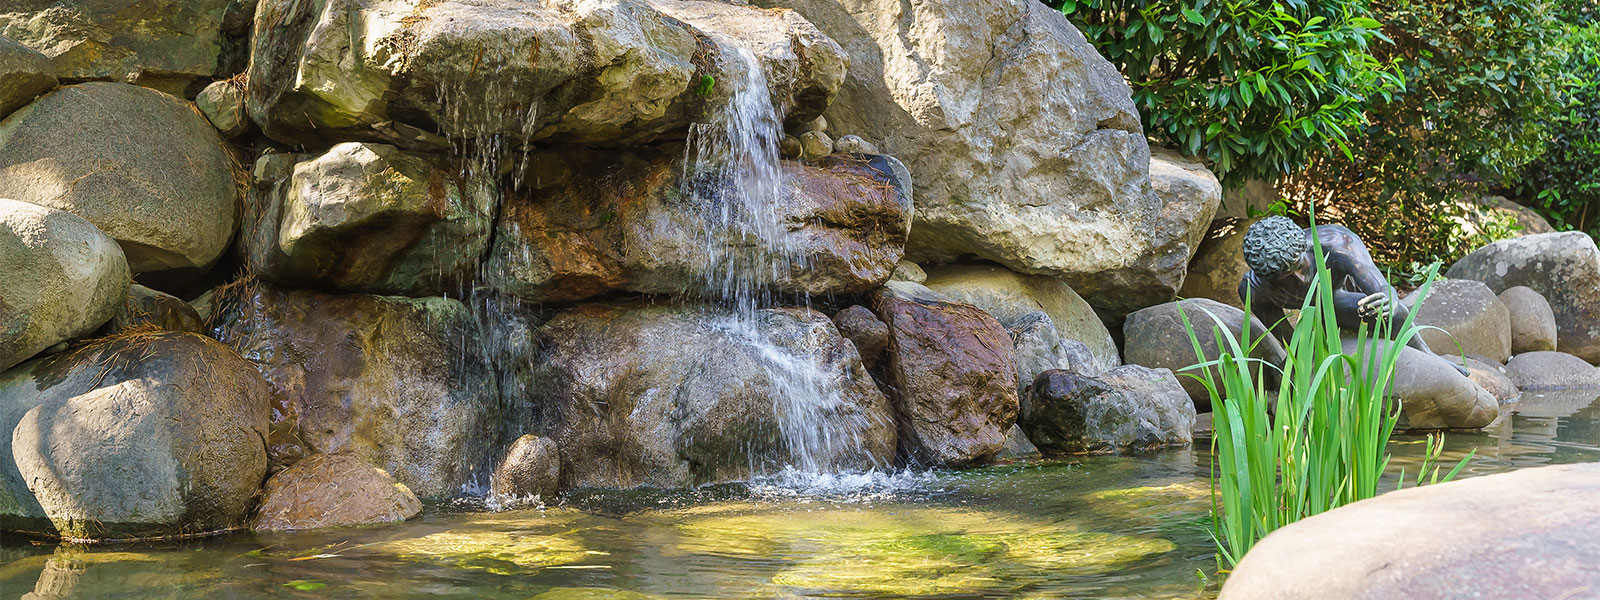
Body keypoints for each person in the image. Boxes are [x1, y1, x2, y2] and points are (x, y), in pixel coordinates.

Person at [1237, 216, 1468, 375]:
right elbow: (1289, 341)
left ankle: (1429, 357)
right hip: (1314, 318)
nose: (1299, 279)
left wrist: (1388, 301)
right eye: (1285, 276)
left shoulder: (1336, 243)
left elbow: (1382, 288)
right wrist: (1299, 363)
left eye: (1300, 265)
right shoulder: (1257, 288)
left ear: (1303, 248)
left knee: (1397, 315)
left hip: (1341, 299)